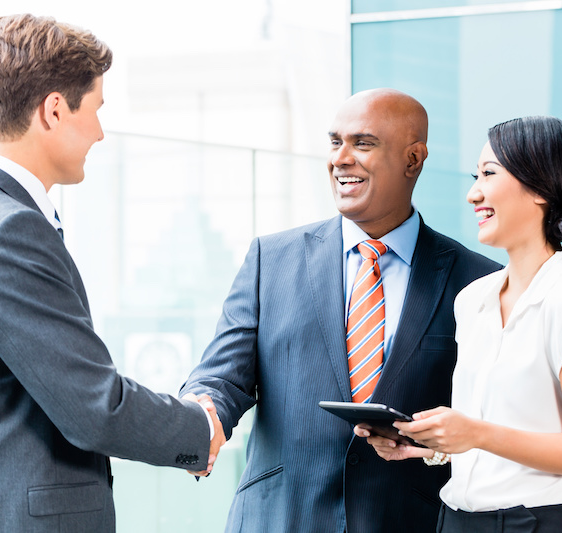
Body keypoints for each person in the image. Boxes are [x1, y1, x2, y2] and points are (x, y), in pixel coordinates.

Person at [0, 14, 224, 532]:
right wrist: (197, 429)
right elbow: (95, 408)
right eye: (96, 110)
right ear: (54, 110)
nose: (100, 133)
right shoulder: (10, 231)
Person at [180, 88, 500, 532]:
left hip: (413, 521)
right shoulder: (269, 260)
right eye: (335, 142)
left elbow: (494, 421)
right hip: (281, 518)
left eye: (363, 143)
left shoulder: (480, 281)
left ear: (413, 159)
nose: (341, 158)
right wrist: (201, 416)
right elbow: (221, 376)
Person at [355, 116, 562, 532]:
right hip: (458, 521)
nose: (472, 193)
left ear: (540, 187)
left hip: (533, 524)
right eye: (474, 176)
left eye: (488, 174)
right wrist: (429, 446)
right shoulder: (474, 300)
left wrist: (476, 434)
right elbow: (494, 429)